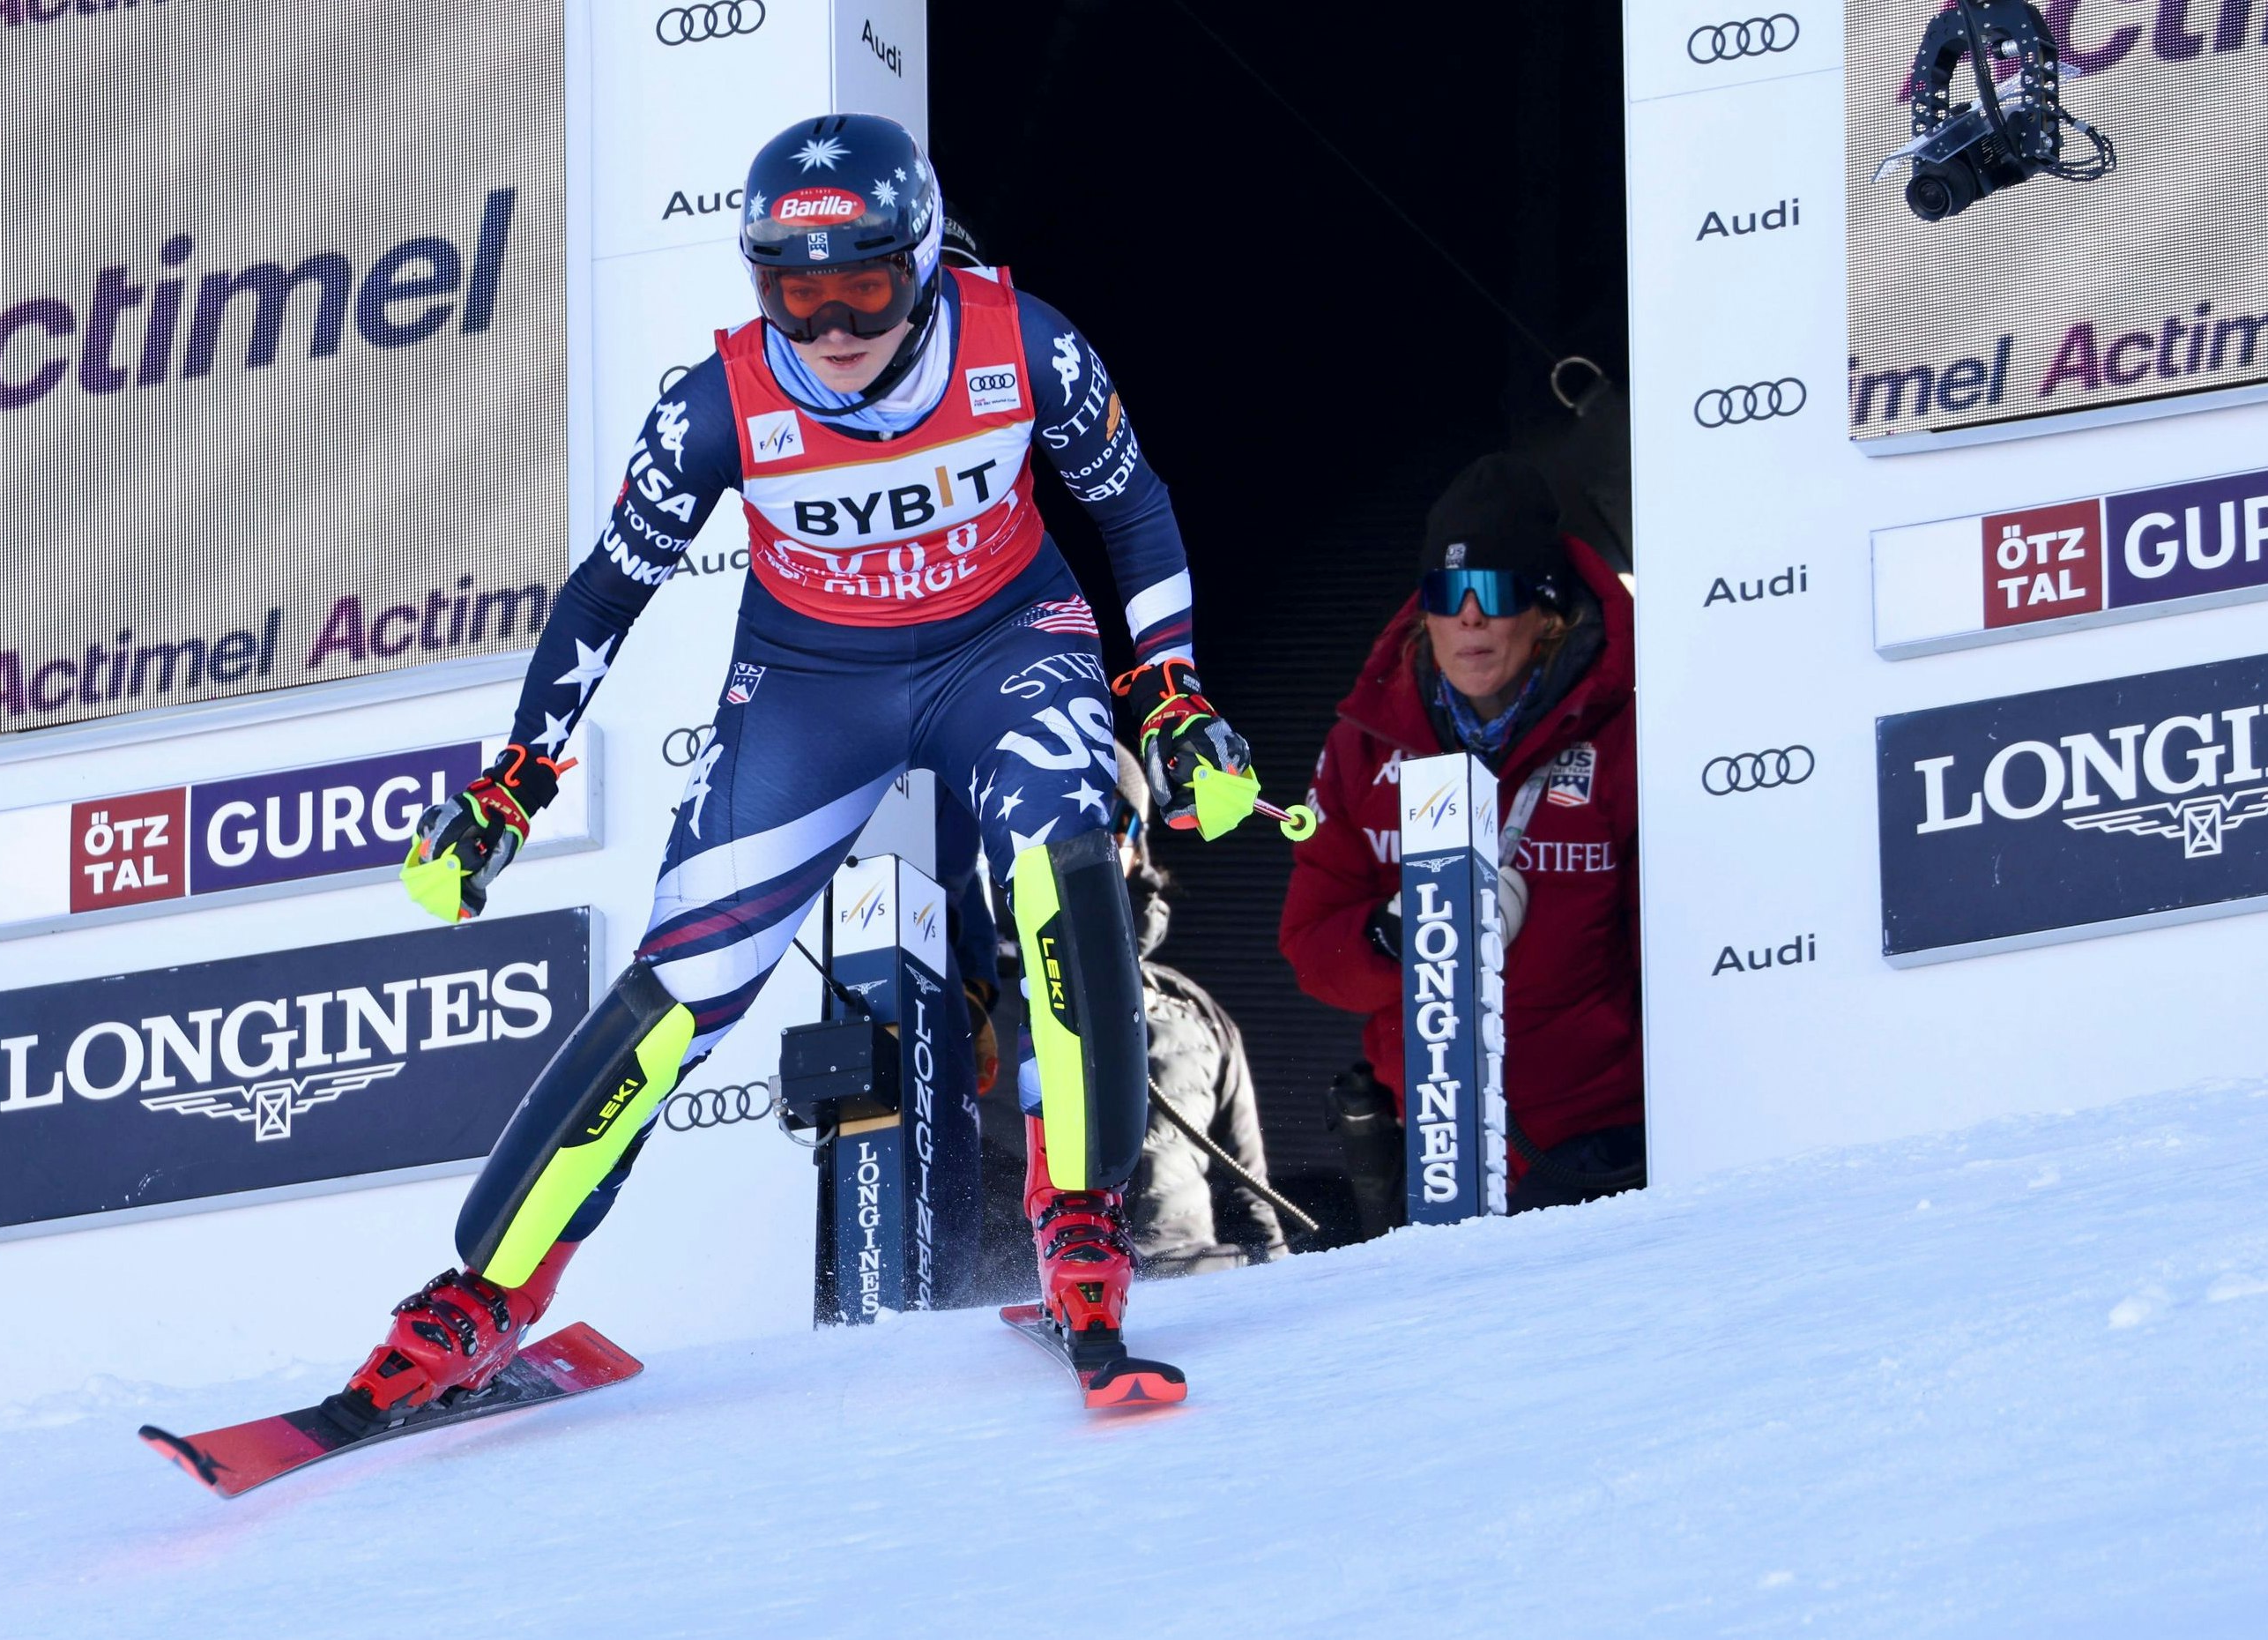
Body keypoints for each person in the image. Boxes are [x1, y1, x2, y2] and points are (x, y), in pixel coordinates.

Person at [323, 112, 1266, 1430]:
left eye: (860, 286)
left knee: (1058, 871)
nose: (827, 326)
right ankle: (480, 1302)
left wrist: (1166, 684)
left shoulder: (1024, 343)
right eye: (792, 290)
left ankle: (1079, 1220)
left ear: (922, 258)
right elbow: (608, 588)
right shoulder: (720, 400)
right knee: (680, 988)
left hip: (1006, 647)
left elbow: (1131, 504)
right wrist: (513, 780)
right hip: (812, 689)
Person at [1276, 454, 1641, 1227]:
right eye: (1448, 593)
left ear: (1548, 614)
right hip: (1430, 1149)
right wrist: (1396, 936)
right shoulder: (1366, 746)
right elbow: (1312, 948)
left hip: (1602, 1146)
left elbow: (1680, 966)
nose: (1469, 616)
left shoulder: (1629, 734)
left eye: (1496, 592)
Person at [1110, 743, 1288, 1273]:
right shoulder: (966, 1003)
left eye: (1108, 822)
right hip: (1017, 1312)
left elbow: (1253, 1201)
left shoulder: (1191, 1006)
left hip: (1187, 1301)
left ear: (1135, 844)